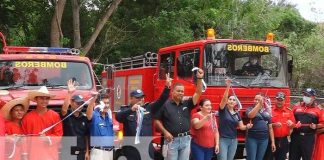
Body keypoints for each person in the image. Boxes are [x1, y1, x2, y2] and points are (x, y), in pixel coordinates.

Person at [115, 73, 172, 160]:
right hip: (131, 149)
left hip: (146, 147)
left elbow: (161, 101)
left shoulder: (149, 108)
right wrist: (131, 110)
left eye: (142, 97)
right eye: (138, 98)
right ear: (131, 99)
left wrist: (167, 88)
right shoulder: (125, 110)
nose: (141, 100)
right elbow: (118, 117)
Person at [155, 68, 204, 160]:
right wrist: (165, 132)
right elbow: (156, 121)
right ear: (172, 92)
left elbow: (198, 92)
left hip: (186, 140)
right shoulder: (164, 104)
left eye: (182, 91)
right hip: (171, 140)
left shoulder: (187, 103)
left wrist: (200, 79)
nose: (181, 93)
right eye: (178, 91)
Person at [22, 86, 63, 160]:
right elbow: (24, 138)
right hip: (33, 155)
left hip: (50, 155)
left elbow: (59, 134)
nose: (44, 101)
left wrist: (47, 138)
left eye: (47, 98)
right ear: (36, 99)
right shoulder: (27, 117)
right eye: (41, 98)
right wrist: (25, 155)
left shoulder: (55, 116)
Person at [217, 79, 252, 160]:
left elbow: (241, 127)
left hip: (234, 141)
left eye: (234, 100)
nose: (232, 101)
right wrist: (228, 86)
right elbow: (224, 99)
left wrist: (247, 126)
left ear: (236, 103)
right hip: (223, 140)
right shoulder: (222, 110)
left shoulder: (237, 113)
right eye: (230, 99)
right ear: (227, 101)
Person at [60, 79, 89, 160]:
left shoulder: (84, 117)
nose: (80, 105)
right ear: (71, 102)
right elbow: (63, 110)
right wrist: (69, 93)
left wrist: (87, 152)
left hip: (81, 153)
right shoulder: (67, 115)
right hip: (68, 153)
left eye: (81, 103)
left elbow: (86, 136)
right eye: (77, 103)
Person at [289, 88, 320, 160]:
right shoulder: (296, 107)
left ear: (313, 97)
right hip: (295, 137)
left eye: (308, 95)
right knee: (293, 157)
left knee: (307, 158)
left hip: (308, 138)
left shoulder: (318, 110)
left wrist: (316, 126)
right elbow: (290, 118)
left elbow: (322, 123)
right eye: (305, 94)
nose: (306, 97)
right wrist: (291, 123)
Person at [263, 92, 295, 160]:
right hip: (270, 140)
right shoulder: (269, 110)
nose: (279, 102)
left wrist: (291, 125)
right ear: (275, 100)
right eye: (278, 100)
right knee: (268, 158)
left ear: (284, 101)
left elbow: (293, 126)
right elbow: (264, 124)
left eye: (281, 100)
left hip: (283, 140)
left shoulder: (289, 111)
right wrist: (274, 125)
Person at [245, 93, 276, 160]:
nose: (256, 101)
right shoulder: (249, 108)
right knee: (251, 158)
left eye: (258, 100)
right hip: (252, 138)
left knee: (260, 158)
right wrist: (259, 105)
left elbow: (270, 128)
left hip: (264, 139)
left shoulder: (267, 111)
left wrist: (273, 142)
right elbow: (251, 115)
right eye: (255, 99)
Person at [86, 93, 114, 160]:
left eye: (108, 103)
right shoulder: (95, 115)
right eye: (104, 103)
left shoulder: (108, 116)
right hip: (98, 152)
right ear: (99, 104)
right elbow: (88, 115)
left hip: (110, 152)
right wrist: (93, 100)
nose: (106, 105)